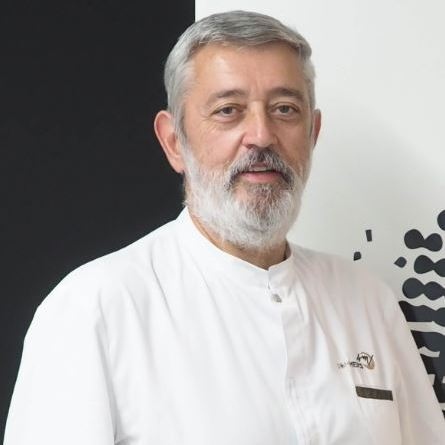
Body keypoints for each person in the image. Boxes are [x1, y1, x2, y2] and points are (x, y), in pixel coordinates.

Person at [4, 10, 444, 445]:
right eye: (228, 110)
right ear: (174, 142)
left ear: (312, 133)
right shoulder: (97, 308)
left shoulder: (367, 302)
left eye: (285, 109)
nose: (261, 135)